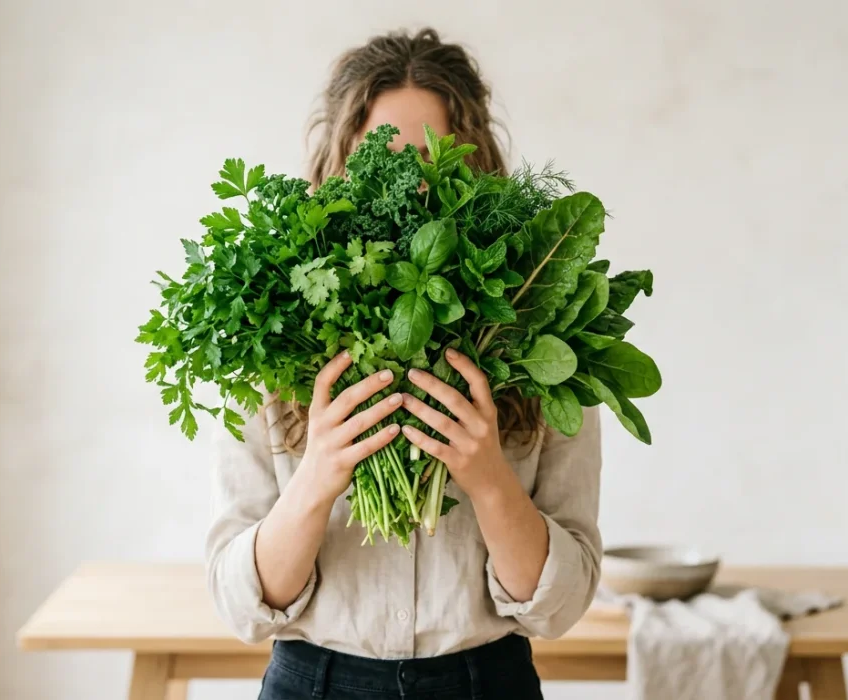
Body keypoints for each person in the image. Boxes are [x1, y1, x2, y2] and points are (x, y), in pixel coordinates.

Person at [206, 28, 603, 700]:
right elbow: (242, 605)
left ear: (475, 168)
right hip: (316, 684)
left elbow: (559, 608)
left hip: (486, 683)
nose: (406, 186)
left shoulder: (538, 327)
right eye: (378, 158)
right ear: (338, 162)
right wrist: (321, 471)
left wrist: (487, 478)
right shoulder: (273, 333)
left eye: (431, 159)